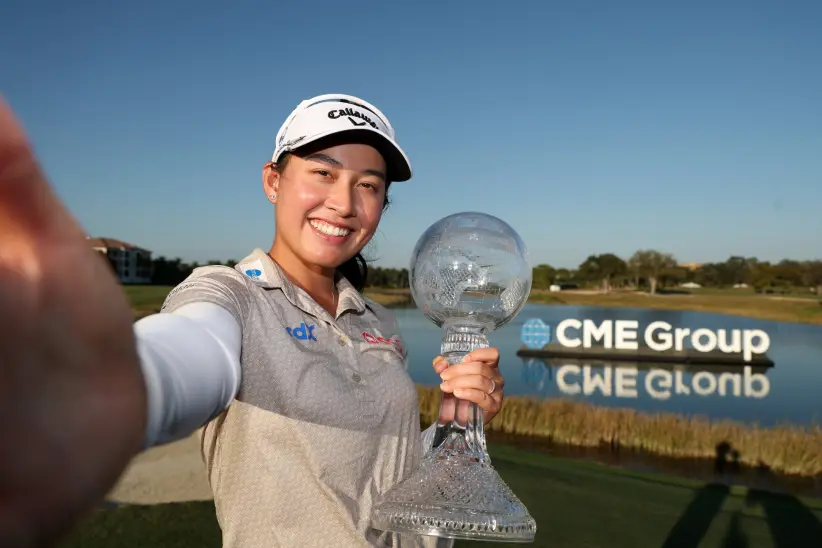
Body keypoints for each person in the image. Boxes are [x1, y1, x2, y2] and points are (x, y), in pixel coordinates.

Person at [0, 93, 507, 548]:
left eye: (368, 186)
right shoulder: (230, 294)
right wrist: (90, 386)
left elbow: (388, 474)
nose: (344, 203)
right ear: (273, 180)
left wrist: (454, 422)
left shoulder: (377, 321)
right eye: (323, 173)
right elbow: (188, 351)